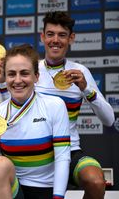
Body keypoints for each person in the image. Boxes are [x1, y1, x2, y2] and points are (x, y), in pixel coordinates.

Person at [36, 11, 115, 199]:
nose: (55, 40)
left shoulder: (80, 71)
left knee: (96, 181)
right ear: (42, 37)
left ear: (71, 38)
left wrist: (87, 90)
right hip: (36, 150)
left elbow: (109, 120)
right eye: (50, 34)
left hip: (69, 150)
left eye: (62, 35)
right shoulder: (31, 69)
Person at [0, 44, 71, 199]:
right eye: (11, 74)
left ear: (36, 76)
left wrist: (58, 197)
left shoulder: (54, 105)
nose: (17, 80)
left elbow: (62, 157)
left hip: (45, 190)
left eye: (24, 73)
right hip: (13, 190)